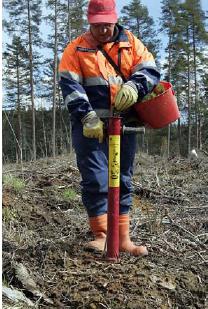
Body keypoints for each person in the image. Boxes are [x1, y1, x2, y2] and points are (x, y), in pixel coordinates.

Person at [59, 0, 160, 256]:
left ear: (114, 19)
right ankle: (103, 235)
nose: (102, 30)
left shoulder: (131, 43)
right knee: (96, 177)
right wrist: (87, 117)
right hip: (90, 125)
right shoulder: (76, 48)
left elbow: (149, 69)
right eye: (97, 25)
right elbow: (70, 86)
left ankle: (123, 237)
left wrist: (134, 86)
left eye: (107, 24)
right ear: (89, 21)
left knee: (122, 178)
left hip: (124, 124)